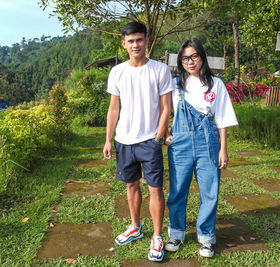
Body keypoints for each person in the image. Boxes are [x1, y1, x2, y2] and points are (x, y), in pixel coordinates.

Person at [103, 21, 173, 262]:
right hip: (124, 140)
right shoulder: (117, 72)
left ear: (146, 41)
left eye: (139, 40)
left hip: (149, 140)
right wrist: (108, 139)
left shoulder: (160, 70)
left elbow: (166, 107)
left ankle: (156, 236)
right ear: (124, 44)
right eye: (130, 41)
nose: (135, 45)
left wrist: (159, 136)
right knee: (130, 185)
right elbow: (114, 108)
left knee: (155, 188)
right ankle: (135, 226)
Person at [164, 39, 238, 258]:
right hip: (181, 144)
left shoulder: (216, 84)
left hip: (209, 142)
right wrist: (166, 134)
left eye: (194, 56)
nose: (190, 62)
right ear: (180, 61)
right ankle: (176, 233)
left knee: (210, 192)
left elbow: (222, 119)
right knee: (178, 191)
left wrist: (223, 149)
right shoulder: (175, 85)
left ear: (202, 57)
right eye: (185, 58)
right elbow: (163, 111)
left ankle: (206, 238)